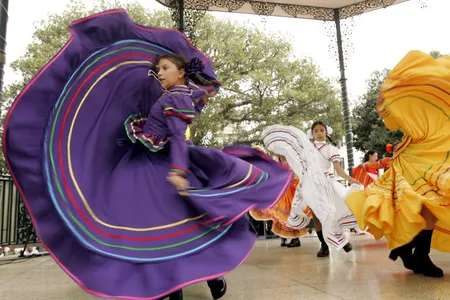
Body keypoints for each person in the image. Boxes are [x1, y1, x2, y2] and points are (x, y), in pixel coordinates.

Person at [3, 10, 293, 300]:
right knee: (176, 227)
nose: (160, 72)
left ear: (180, 72)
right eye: (159, 68)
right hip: (147, 161)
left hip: (163, 166)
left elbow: (178, 137)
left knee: (169, 228)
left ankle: (199, 281)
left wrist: (178, 172)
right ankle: (207, 279)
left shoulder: (177, 98)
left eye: (165, 67)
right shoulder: (173, 96)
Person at [345, 50, 450, 278]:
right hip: (412, 161)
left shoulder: (438, 121)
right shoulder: (418, 118)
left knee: (426, 209)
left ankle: (411, 250)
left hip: (424, 157)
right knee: (424, 207)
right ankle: (415, 253)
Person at [261, 123, 362, 258]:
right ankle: (324, 246)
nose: (319, 133)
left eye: (322, 130)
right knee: (317, 216)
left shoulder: (331, 149)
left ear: (326, 132)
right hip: (311, 184)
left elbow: (338, 169)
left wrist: (349, 179)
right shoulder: (307, 149)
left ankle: (341, 241)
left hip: (326, 183)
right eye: (316, 131)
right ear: (312, 134)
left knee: (331, 212)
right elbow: (291, 158)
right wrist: (278, 150)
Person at [250, 148, 312, 248]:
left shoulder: (292, 161)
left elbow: (297, 176)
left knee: (290, 215)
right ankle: (284, 238)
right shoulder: (276, 161)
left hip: (291, 192)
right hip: (281, 192)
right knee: (281, 215)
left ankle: (295, 239)